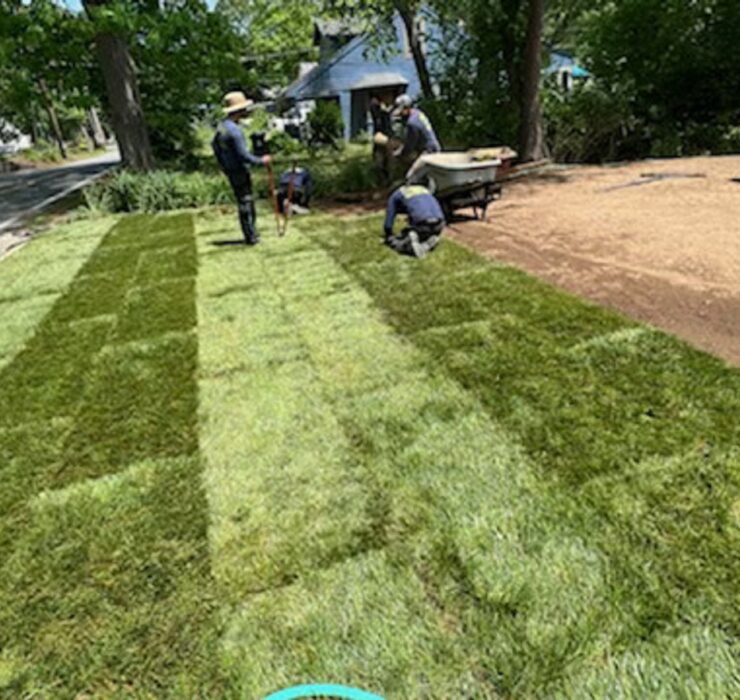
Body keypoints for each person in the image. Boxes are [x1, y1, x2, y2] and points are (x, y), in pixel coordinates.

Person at [212, 91, 271, 245]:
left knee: (242, 200)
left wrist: (223, 165)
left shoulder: (222, 128)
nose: (247, 111)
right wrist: (261, 160)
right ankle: (251, 236)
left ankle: (250, 233)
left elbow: (215, 147)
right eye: (244, 109)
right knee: (246, 202)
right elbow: (244, 155)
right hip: (239, 170)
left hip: (230, 170)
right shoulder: (234, 131)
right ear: (238, 111)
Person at [383, 183, 445, 259]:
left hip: (422, 224)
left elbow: (388, 222)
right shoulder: (423, 189)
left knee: (398, 240)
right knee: (421, 231)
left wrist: (389, 236)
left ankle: (410, 244)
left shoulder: (395, 195)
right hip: (439, 224)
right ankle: (428, 242)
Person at [392, 94, 441, 184]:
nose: (400, 114)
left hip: (428, 152)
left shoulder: (412, 123)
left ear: (407, 108)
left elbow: (409, 146)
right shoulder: (418, 113)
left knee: (411, 176)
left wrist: (399, 153)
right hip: (434, 147)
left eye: (401, 111)